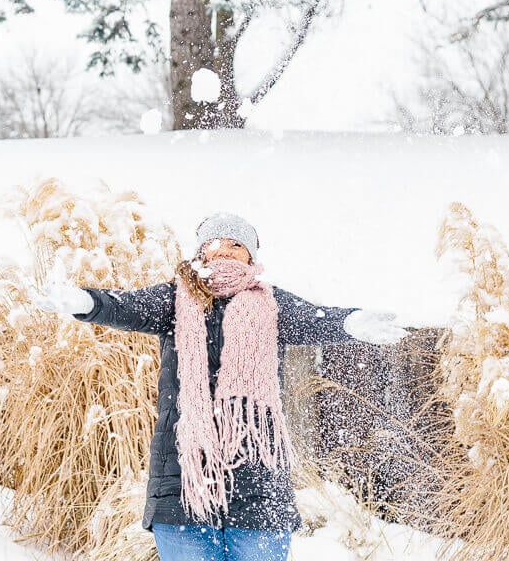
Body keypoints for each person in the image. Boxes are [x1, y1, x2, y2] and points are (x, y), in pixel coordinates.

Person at [32, 212, 407, 561]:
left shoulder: (273, 304)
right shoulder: (173, 300)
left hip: (258, 484)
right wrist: (85, 302)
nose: (225, 252)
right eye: (216, 244)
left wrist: (351, 323)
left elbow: (316, 319)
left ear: (251, 256)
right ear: (200, 252)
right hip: (183, 483)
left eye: (236, 245)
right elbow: (124, 306)